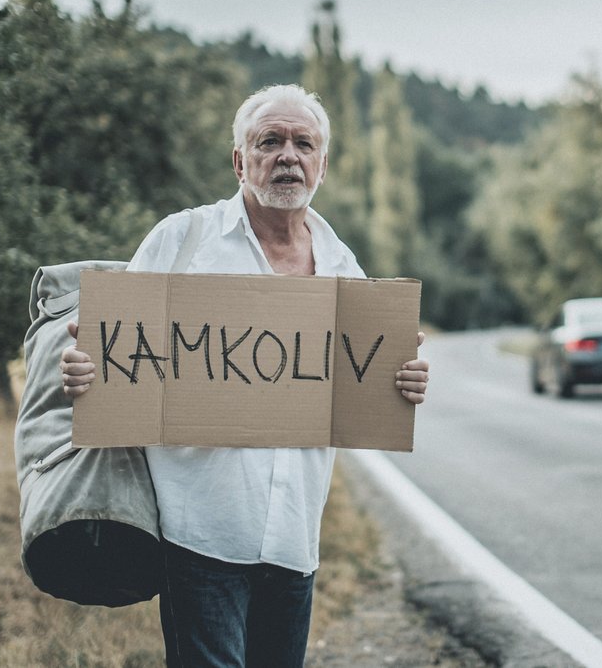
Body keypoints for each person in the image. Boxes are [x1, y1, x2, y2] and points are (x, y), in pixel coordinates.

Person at [58, 84, 430, 667]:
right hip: (200, 530)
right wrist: (84, 370)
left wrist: (401, 384)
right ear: (240, 160)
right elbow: (111, 353)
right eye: (270, 141)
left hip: (295, 536)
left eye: (303, 143)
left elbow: (361, 384)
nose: (288, 156)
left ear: (322, 165)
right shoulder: (184, 238)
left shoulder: (343, 265)